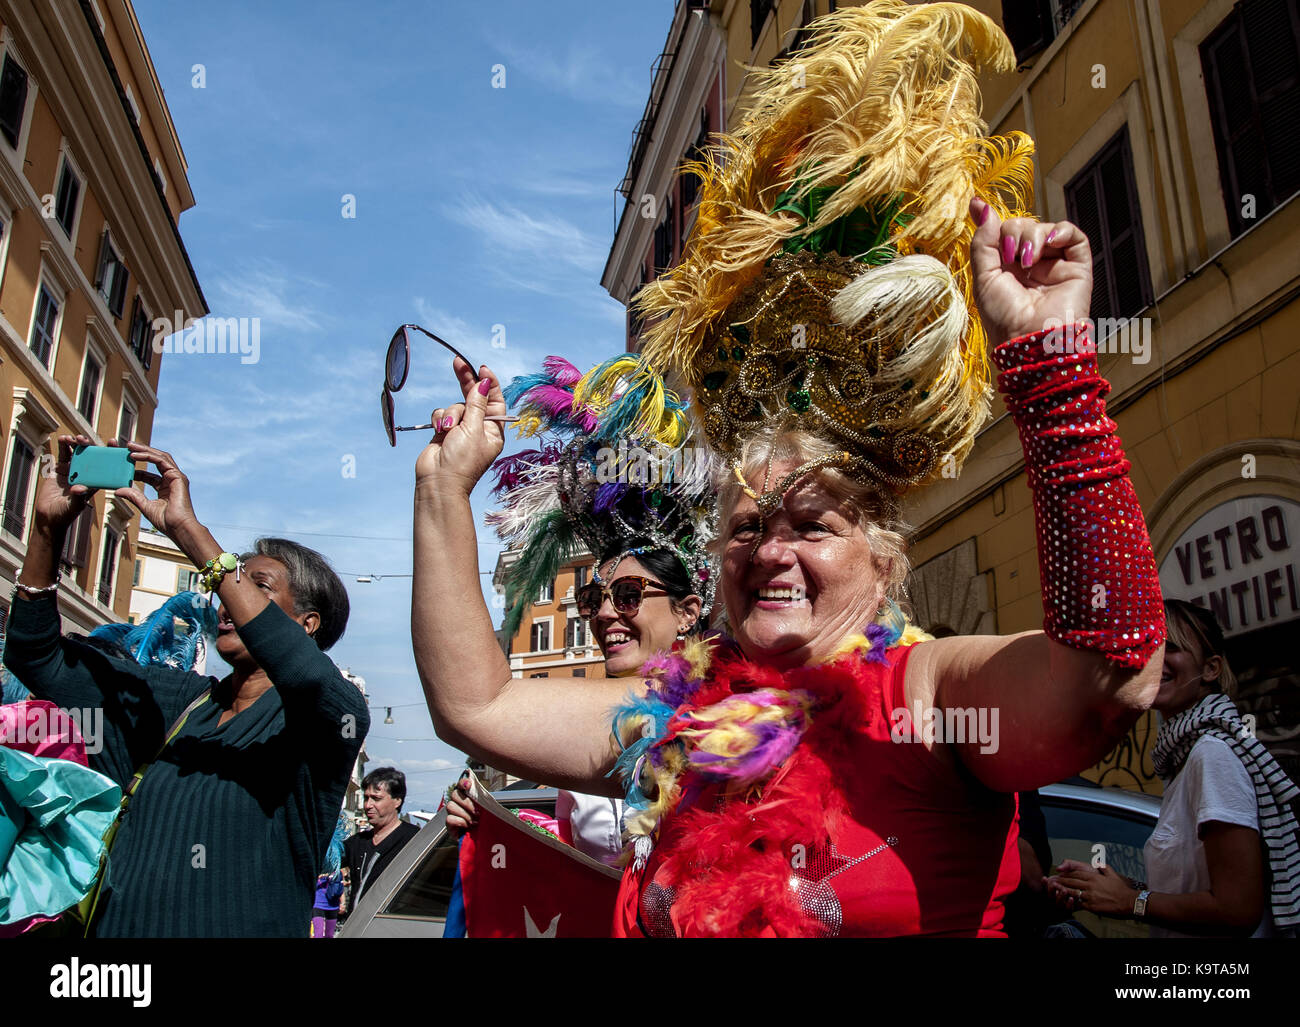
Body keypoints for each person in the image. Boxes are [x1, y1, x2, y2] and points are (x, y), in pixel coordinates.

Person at [408, 1, 1166, 936]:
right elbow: (474, 704)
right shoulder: (673, 710)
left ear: (883, 560)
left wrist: (1051, 374)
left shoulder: (926, 696)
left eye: (810, 525)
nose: (769, 551)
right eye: (744, 526)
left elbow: (1107, 678)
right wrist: (442, 491)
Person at [4, 434, 367, 937]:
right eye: (227, 583)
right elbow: (35, 653)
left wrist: (188, 531)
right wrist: (46, 531)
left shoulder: (329, 718)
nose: (225, 599)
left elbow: (302, 672)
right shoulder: (180, 703)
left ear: (307, 625)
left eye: (253, 585)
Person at [444, 356, 716, 866]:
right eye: (594, 598)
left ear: (688, 610)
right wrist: (495, 822)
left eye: (631, 593)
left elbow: (475, 709)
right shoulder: (602, 721)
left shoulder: (725, 711)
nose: (605, 614)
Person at [1046, 600, 1299, 936]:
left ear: (1210, 669)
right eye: (1146, 647)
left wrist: (1130, 902)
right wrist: (1121, 888)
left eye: (1172, 648)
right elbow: (1197, 889)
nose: (1155, 658)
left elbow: (1237, 909)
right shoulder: (1182, 756)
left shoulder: (1211, 755)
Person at [341, 767, 421, 911]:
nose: (368, 805)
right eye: (366, 798)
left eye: (376, 799)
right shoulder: (357, 842)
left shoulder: (414, 839)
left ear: (397, 801)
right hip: (356, 928)